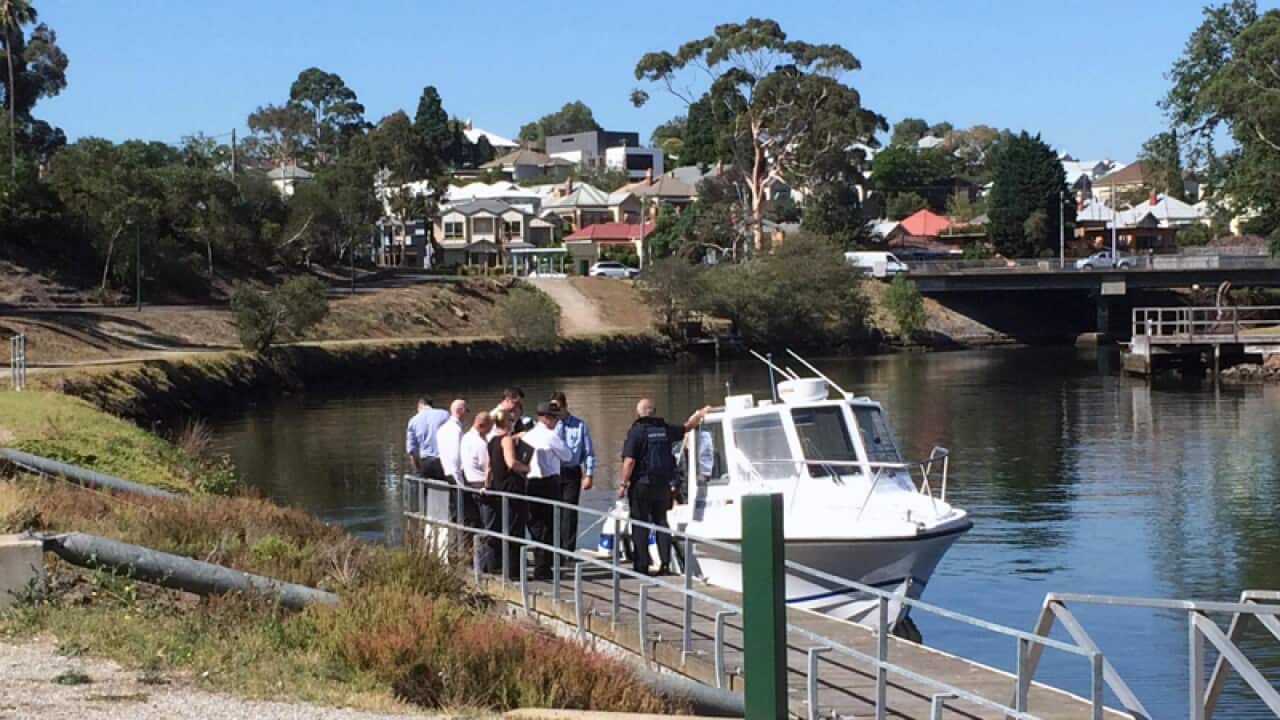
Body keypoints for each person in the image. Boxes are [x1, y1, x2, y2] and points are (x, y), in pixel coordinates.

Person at [617, 398, 710, 575]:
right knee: (661, 522)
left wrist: (623, 483)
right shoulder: (664, 429)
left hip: (641, 484)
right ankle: (665, 564)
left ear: (639, 413)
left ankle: (641, 566)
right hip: (663, 485)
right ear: (654, 412)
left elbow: (629, 461)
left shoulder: (636, 432)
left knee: (639, 524)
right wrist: (699, 415)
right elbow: (686, 428)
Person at [524, 401, 573, 579]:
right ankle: (544, 567)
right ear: (546, 418)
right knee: (549, 524)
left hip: (529, 483)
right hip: (548, 483)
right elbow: (567, 455)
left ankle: (541, 563)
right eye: (554, 418)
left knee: (535, 525)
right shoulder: (550, 436)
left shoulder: (527, 435)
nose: (556, 422)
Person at [486, 408, 529, 580]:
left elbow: (488, 468)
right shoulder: (506, 440)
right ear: (507, 422)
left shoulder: (492, 441)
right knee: (515, 529)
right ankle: (514, 572)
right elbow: (511, 463)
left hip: (498, 487)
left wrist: (486, 484)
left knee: (503, 528)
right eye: (511, 421)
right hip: (511, 488)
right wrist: (527, 468)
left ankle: (504, 567)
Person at [551, 391, 595, 553]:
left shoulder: (579, 425)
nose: (556, 412)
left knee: (569, 511)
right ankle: (553, 548)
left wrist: (589, 474)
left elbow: (588, 452)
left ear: (565, 406)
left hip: (571, 471)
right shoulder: (550, 425)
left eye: (558, 408)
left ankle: (567, 550)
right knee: (553, 510)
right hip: (552, 471)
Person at [461, 412, 494, 573]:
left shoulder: (465, 438)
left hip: (469, 483)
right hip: (481, 484)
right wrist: (489, 485)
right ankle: (485, 564)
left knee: (475, 524)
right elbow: (486, 467)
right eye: (489, 426)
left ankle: (477, 562)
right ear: (482, 425)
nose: (491, 429)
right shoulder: (480, 444)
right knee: (487, 525)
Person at [437, 398, 468, 529]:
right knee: (462, 513)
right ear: (460, 411)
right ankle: (461, 542)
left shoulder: (442, 428)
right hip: (455, 476)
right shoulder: (455, 430)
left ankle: (456, 541)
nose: (467, 414)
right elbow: (456, 457)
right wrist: (461, 482)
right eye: (466, 410)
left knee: (455, 512)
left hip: (447, 473)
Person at [405, 396, 450, 480]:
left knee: (425, 491)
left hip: (426, 463)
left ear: (419, 405)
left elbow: (412, 451)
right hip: (443, 461)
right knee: (447, 490)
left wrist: (418, 470)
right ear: (431, 405)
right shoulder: (445, 414)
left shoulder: (413, 421)